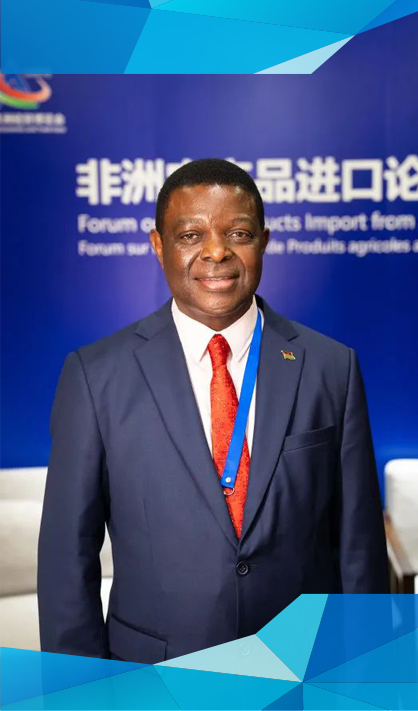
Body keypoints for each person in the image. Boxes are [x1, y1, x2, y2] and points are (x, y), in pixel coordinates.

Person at [38, 158, 389, 664]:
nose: (217, 251)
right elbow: (66, 560)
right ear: (158, 245)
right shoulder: (95, 376)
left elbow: (358, 548)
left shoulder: (332, 367)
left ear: (264, 242)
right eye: (190, 235)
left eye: (238, 233)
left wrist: (366, 675)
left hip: (303, 667)